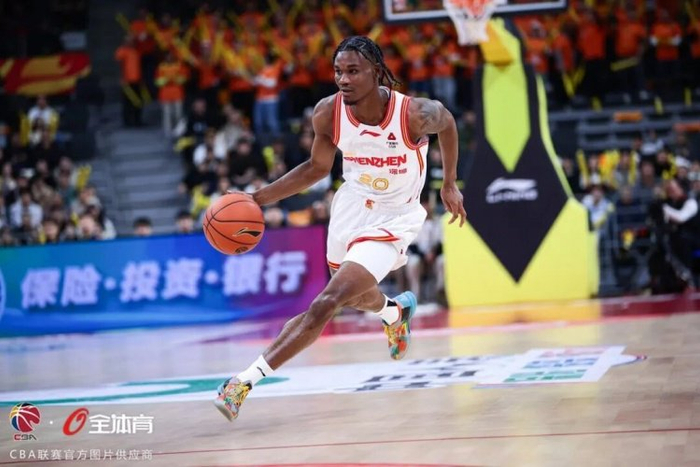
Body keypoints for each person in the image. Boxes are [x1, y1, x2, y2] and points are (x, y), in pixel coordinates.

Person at [214, 36, 467, 421]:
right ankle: (394, 313)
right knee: (352, 296)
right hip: (350, 208)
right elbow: (316, 168)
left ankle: (241, 383)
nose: (343, 79)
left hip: (394, 216)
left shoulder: (414, 113)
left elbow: (447, 124)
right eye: (338, 71)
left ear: (376, 72)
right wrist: (256, 198)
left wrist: (448, 183)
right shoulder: (327, 112)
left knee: (326, 302)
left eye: (353, 71)